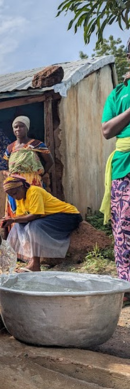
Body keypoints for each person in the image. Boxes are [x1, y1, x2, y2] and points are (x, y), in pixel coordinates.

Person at [100, 38, 130, 306]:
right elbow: (107, 130)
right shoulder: (118, 94)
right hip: (124, 167)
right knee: (124, 229)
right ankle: (126, 286)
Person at [1, 175, 82, 272]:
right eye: (12, 195)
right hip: (50, 217)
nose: (15, 197)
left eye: (15, 193)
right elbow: (21, 216)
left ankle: (35, 264)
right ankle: (26, 260)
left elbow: (36, 215)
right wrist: (10, 219)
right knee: (19, 225)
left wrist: (13, 220)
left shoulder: (34, 191)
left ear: (22, 187)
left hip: (68, 216)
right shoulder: (21, 198)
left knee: (35, 226)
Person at [3, 116, 53, 229]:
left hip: (32, 181)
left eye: (21, 126)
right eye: (16, 127)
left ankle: (36, 235)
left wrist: (41, 174)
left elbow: (49, 162)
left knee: (33, 208)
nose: (18, 129)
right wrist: (8, 175)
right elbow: (7, 166)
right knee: (15, 208)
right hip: (14, 183)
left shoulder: (37, 144)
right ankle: (16, 236)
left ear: (27, 128)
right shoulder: (10, 148)